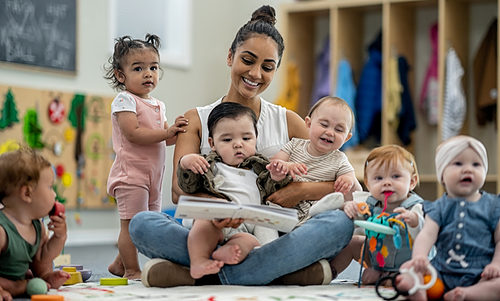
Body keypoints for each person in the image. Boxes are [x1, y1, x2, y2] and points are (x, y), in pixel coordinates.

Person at [129, 5, 359, 288]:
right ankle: (276, 272)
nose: (255, 73)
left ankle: (199, 274)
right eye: (247, 60)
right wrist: (223, 211)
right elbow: (178, 191)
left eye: (267, 67)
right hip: (212, 230)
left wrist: (301, 190)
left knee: (339, 225)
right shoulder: (196, 119)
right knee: (142, 224)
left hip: (271, 234)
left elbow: (338, 177)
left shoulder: (289, 121)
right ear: (230, 56)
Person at [103, 34, 188, 280]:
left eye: (153, 67)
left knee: (147, 225)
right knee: (131, 225)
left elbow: (164, 138)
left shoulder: (158, 105)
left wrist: (177, 130)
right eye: (138, 68)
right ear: (121, 76)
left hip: (154, 176)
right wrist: (166, 131)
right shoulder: (124, 100)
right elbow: (134, 134)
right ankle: (131, 269)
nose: (148, 73)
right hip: (132, 174)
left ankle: (120, 263)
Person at [179, 102, 293, 279]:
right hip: (217, 220)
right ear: (212, 143)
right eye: (227, 140)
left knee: (251, 242)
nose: (238, 145)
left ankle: (227, 252)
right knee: (202, 222)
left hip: (246, 227)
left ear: (256, 137)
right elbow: (188, 185)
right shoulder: (210, 165)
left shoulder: (261, 168)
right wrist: (186, 163)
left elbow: (274, 191)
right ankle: (199, 260)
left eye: (246, 139)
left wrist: (278, 176)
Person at [396, 136, 500, 301]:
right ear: (442, 175)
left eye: (476, 164)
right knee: (408, 268)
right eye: (458, 164)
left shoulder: (494, 206)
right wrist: (420, 257)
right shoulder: (438, 207)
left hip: (482, 273)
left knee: (497, 285)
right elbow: (427, 234)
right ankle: (419, 293)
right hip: (440, 272)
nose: (468, 170)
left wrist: (496, 264)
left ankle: (468, 294)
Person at [270, 96, 359, 224]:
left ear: (346, 138)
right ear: (308, 124)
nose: (330, 132)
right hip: (283, 211)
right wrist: (284, 167)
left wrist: (348, 181)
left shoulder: (339, 160)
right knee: (265, 225)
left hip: (316, 217)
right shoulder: (294, 145)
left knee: (338, 218)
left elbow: (356, 192)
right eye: (324, 124)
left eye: (339, 130)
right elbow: (273, 166)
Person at [342, 145, 424, 285]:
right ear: (368, 183)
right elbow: (353, 216)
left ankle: (390, 277)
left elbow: (427, 233)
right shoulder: (370, 203)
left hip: (407, 264)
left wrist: (415, 221)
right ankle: (327, 273)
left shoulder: (416, 207)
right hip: (378, 258)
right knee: (352, 243)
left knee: (406, 280)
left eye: (396, 176)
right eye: (378, 178)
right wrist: (348, 207)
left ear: (411, 182)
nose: (387, 182)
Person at [0, 147, 71, 299]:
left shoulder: (36, 225)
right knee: (13, 283)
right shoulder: (2, 229)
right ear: (27, 194)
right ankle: (20, 286)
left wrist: (59, 236)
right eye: (50, 187)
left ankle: (44, 278)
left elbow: (43, 256)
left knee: (40, 266)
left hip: (17, 276)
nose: (55, 194)